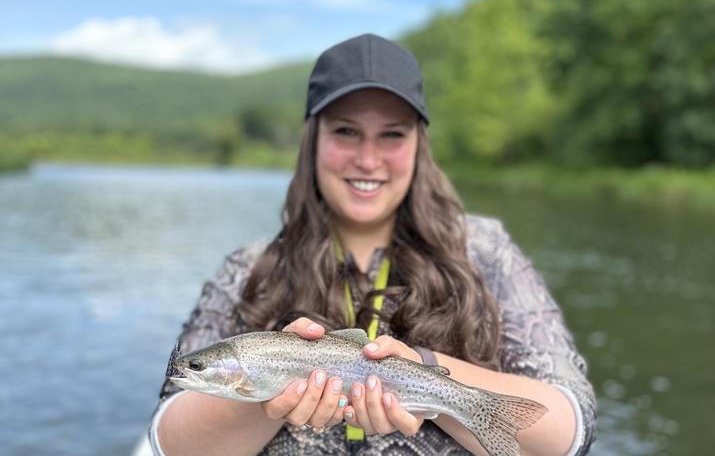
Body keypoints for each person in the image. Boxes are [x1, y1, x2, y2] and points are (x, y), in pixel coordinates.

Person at [148, 33, 596, 455]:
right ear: (313, 141)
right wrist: (268, 394)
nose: (367, 159)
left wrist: (421, 369)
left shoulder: (488, 252)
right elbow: (169, 441)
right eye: (345, 131)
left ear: (420, 144)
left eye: (392, 134)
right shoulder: (247, 268)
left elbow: (572, 428)